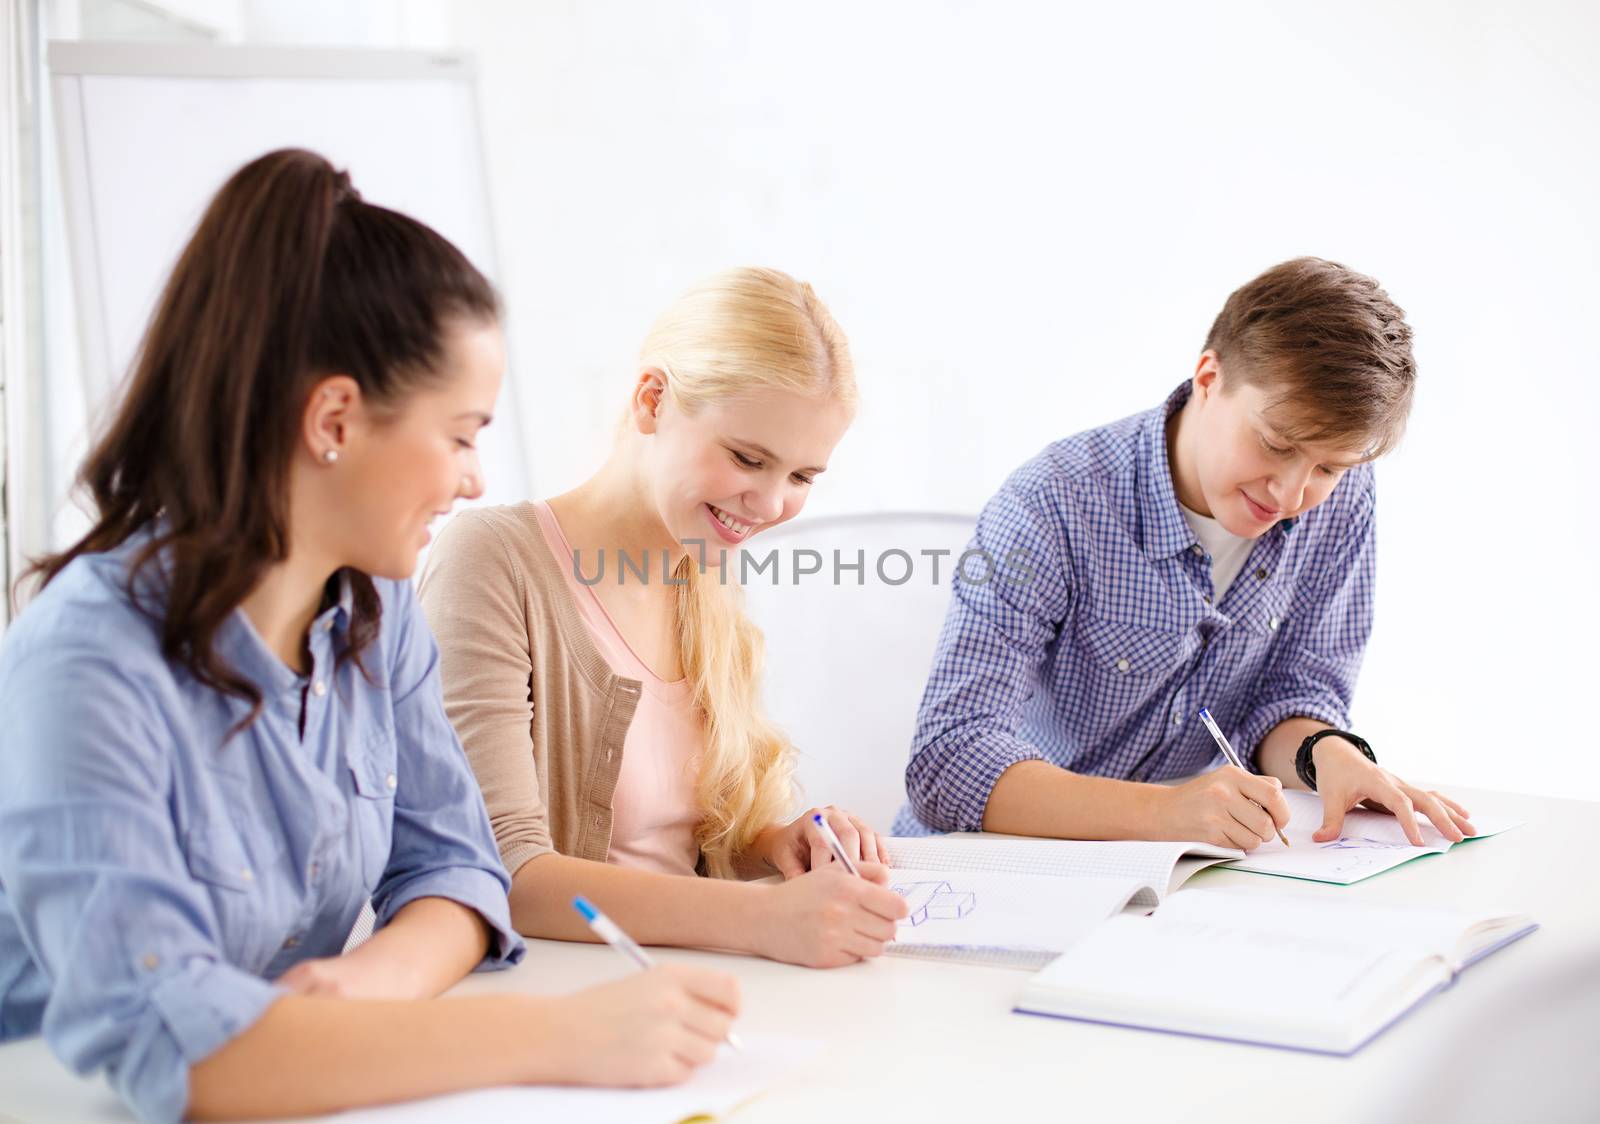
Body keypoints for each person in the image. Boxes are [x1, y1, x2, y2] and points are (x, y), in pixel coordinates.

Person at [0, 149, 737, 1123]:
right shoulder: (84, 665)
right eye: (462, 433)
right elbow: (171, 1042)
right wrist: (562, 1035)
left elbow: (456, 869)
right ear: (335, 418)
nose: (476, 478)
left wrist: (362, 991)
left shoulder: (374, 621)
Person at [897, 257, 1476, 852]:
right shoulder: (1052, 502)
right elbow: (949, 758)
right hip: (990, 867)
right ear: (1208, 379)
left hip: (1182, 871)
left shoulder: (1342, 500)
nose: (1291, 494)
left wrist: (1324, 752)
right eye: (1276, 443)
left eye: (1327, 467)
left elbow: (1289, 693)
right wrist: (1168, 812)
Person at [418, 267, 909, 968]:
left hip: (688, 986)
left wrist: (770, 845)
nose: (769, 506)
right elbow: (503, 873)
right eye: (748, 457)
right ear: (652, 400)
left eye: (801, 477)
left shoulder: (703, 567)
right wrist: (763, 915)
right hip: (557, 1000)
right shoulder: (492, 560)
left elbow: (669, 847)